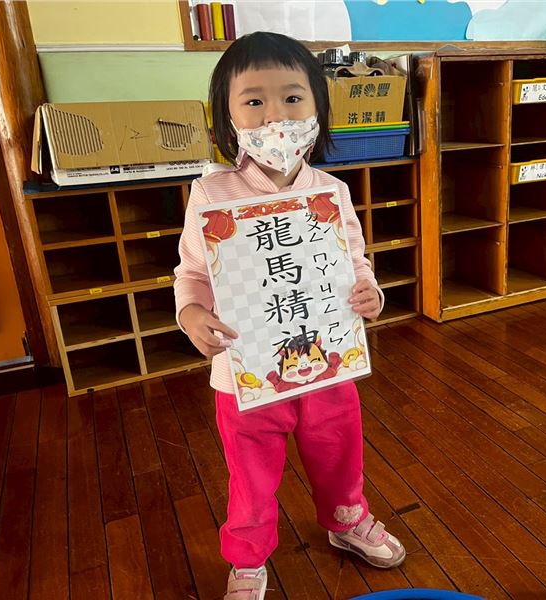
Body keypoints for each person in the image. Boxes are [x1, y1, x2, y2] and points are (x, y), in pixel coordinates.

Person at [173, 31, 405, 600]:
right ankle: (248, 557)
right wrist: (192, 313)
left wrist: (370, 293)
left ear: (318, 109)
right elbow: (193, 273)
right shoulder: (212, 194)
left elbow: (354, 260)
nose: (275, 115)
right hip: (246, 372)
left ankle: (347, 519)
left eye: (293, 97)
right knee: (251, 475)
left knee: (339, 451)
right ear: (227, 117)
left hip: (328, 361)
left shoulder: (332, 191)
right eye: (254, 100)